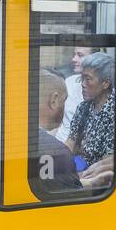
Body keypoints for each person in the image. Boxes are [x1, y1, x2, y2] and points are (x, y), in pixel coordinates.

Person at [30, 69, 83, 197]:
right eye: (64, 100)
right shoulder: (57, 152)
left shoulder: (7, 138)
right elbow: (73, 199)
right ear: (53, 100)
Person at [65, 51, 115, 183]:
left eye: (88, 79)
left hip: (96, 177)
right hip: (78, 166)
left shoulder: (115, 113)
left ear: (105, 83)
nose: (82, 83)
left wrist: (74, 178)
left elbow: (106, 164)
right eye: (82, 78)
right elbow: (70, 143)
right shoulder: (83, 107)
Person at [54, 46, 94, 142]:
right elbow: (60, 121)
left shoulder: (101, 88)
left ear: (94, 58)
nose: (74, 59)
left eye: (80, 55)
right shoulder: (69, 82)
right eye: (74, 55)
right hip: (60, 142)